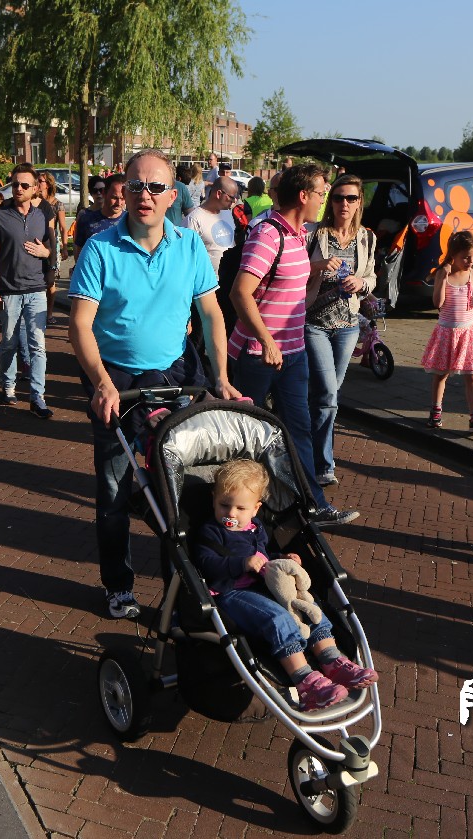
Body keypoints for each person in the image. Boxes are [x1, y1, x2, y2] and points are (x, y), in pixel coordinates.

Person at [68, 148, 240, 619]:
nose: (145, 195)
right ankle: (118, 585)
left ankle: (178, 588)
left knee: (179, 489)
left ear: (171, 196)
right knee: (114, 489)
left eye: (156, 187)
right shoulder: (100, 248)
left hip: (175, 373)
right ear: (124, 192)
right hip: (116, 378)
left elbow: (211, 314)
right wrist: (101, 382)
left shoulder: (189, 247)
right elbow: (79, 325)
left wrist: (221, 378)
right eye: (136, 186)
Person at [228, 163, 356, 526]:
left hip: (293, 353)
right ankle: (236, 508)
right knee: (247, 436)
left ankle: (313, 506)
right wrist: (266, 341)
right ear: (303, 196)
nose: (324, 201)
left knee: (299, 431)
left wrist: (321, 274)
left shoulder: (300, 236)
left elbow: (294, 287)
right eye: (321, 194)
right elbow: (240, 293)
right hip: (258, 355)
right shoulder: (267, 235)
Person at [193, 460, 378, 710]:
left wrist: (280, 559)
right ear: (213, 500)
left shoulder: (256, 528)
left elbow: (263, 556)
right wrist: (241, 563)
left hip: (264, 586)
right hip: (231, 592)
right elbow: (206, 563)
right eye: (224, 505)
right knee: (278, 618)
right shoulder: (211, 531)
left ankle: (332, 661)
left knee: (307, 607)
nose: (231, 514)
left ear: (256, 508)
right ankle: (306, 683)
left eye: (240, 508)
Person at [305, 174, 377, 485]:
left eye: (350, 198)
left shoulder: (367, 237)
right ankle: (324, 466)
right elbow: (294, 270)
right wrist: (319, 266)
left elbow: (372, 277)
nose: (343, 204)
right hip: (315, 324)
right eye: (337, 197)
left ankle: (304, 449)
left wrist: (361, 283)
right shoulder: (313, 234)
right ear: (330, 201)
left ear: (360, 202)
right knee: (327, 396)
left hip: (348, 325)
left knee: (326, 395)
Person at [0, 162, 55, 417]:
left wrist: (46, 253)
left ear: (35, 188)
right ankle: (8, 386)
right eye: (15, 184)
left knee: (38, 345)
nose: (19, 189)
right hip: (9, 290)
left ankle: (38, 398)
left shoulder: (41, 215)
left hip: (36, 289)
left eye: (25, 185)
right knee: (8, 343)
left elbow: (50, 249)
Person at [421, 231, 473, 431]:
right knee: (441, 374)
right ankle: (435, 412)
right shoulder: (444, 274)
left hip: (467, 332)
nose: (471, 260)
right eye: (466, 257)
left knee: (472, 375)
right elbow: (438, 303)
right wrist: (442, 277)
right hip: (446, 332)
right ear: (453, 255)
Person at [184, 176, 239, 273]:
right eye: (231, 197)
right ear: (219, 194)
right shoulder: (193, 219)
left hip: (229, 277)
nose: (234, 201)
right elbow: (186, 255)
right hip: (208, 280)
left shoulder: (227, 213)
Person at [37, 171, 69, 316]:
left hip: (51, 243)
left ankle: (49, 313)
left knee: (50, 281)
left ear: (48, 184)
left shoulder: (57, 204)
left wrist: (65, 247)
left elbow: (62, 227)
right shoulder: (35, 202)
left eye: (41, 181)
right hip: (36, 241)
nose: (38, 183)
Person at [73, 173, 126, 253]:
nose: (118, 203)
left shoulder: (131, 221)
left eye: (122, 198)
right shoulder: (86, 220)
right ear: (104, 193)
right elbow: (79, 253)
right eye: (114, 198)